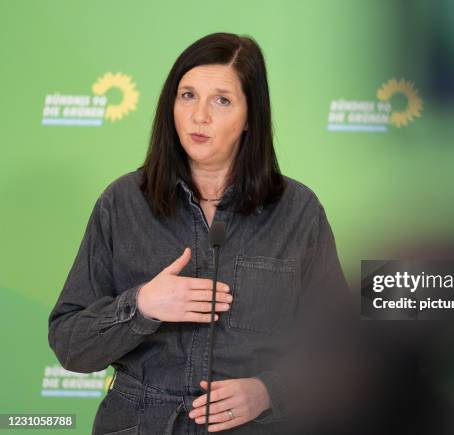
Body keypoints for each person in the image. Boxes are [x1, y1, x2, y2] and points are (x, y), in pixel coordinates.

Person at [48, 32, 352, 434]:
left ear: (250, 118)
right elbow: (72, 345)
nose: (199, 116)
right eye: (187, 95)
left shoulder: (297, 211)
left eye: (221, 100)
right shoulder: (122, 202)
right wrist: (142, 305)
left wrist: (269, 392)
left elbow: (341, 350)